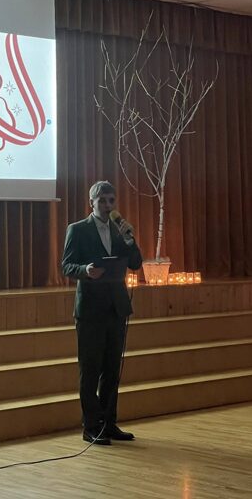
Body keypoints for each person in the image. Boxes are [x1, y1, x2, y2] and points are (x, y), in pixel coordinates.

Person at [61, 180, 142, 445]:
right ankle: (91, 426)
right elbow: (67, 265)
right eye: (102, 201)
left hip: (116, 307)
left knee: (111, 369)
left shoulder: (120, 230)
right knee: (90, 369)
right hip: (90, 310)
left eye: (111, 200)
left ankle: (109, 423)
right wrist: (85, 270)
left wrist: (130, 240)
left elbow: (135, 264)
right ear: (91, 203)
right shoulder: (78, 229)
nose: (108, 205)